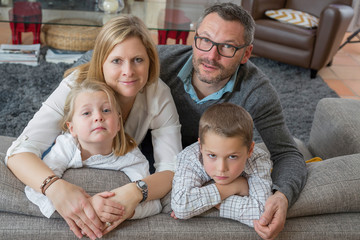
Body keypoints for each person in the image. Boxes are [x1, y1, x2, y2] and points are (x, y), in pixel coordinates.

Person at [5, 15, 182, 240]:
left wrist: (135, 192)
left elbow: (172, 170)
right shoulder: (75, 85)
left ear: (150, 62)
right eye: (116, 61)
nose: (129, 71)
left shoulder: (158, 92)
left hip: (122, 152)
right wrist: (55, 187)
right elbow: (19, 151)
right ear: (101, 62)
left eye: (138, 60)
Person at [155, 3, 307, 240]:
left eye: (227, 46)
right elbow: (93, 58)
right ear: (194, 37)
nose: (211, 56)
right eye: (204, 40)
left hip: (221, 162)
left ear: (246, 53)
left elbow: (287, 153)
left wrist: (282, 196)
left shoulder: (257, 92)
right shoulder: (160, 63)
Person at [25, 80, 161, 223]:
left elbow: (153, 203)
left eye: (106, 110)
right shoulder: (66, 145)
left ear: (119, 122)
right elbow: (35, 189)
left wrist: (118, 211)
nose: (98, 117)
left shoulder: (131, 155)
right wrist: (87, 208)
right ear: (72, 128)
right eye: (86, 113)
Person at [171, 103, 273, 228]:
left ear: (250, 150)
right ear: (201, 147)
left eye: (232, 157)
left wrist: (207, 202)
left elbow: (263, 215)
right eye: (212, 156)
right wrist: (236, 187)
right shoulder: (190, 157)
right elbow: (181, 206)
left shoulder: (258, 158)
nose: (221, 168)